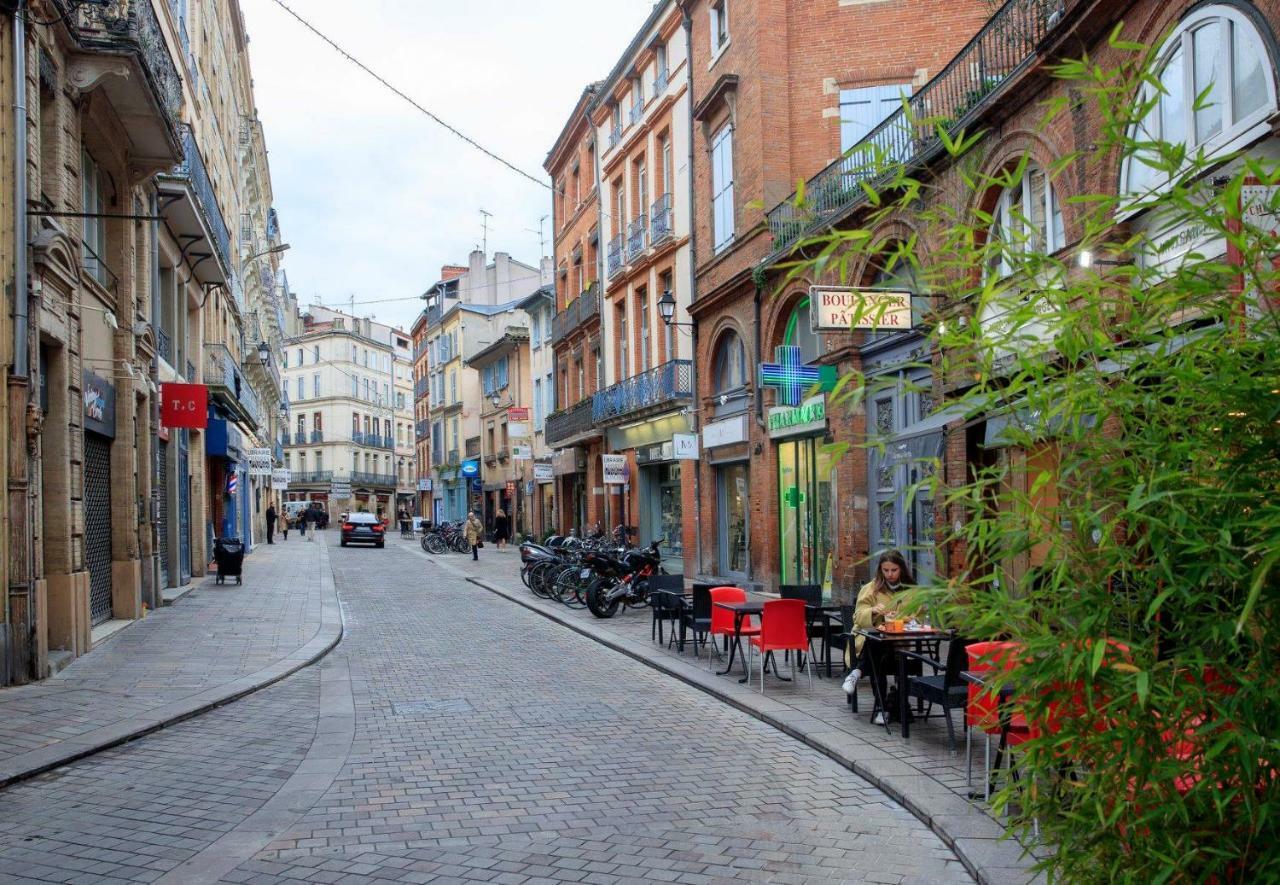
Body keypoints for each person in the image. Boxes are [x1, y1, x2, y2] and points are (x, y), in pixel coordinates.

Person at [843, 550, 915, 725]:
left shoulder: (912, 590)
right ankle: (882, 708)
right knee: (877, 645)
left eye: (894, 570)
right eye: (886, 570)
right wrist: (873, 611)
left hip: (899, 645)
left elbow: (919, 615)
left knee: (880, 652)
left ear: (902, 570)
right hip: (866, 644)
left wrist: (907, 618)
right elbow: (858, 617)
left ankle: (858, 673)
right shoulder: (870, 588)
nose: (889, 574)